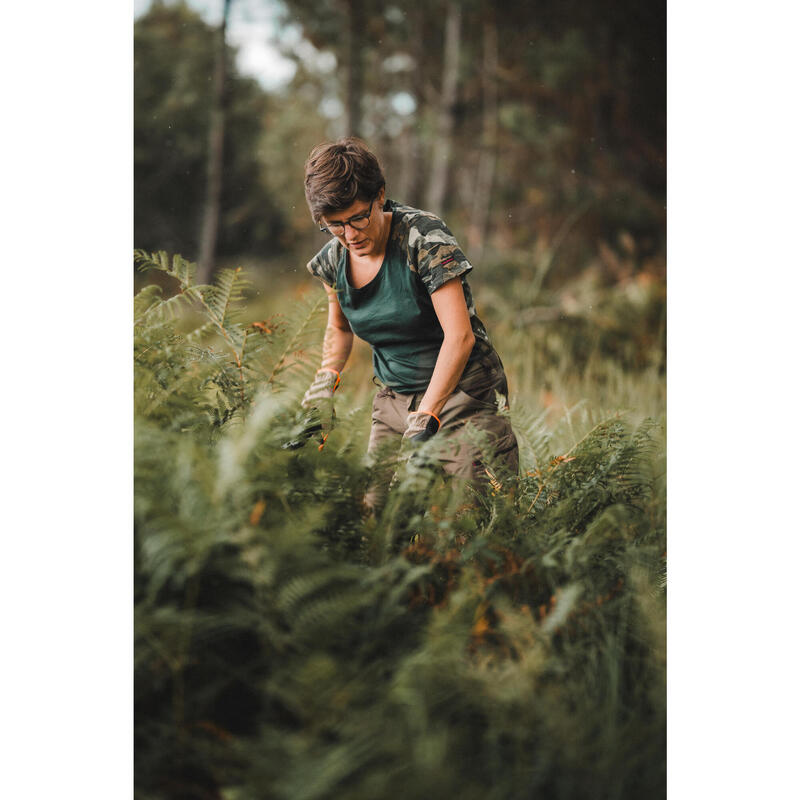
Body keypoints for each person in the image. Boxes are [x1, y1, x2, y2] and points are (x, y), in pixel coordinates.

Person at [300, 137, 518, 512]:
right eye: (335, 226)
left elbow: (459, 335)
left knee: (478, 520)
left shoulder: (423, 238)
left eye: (358, 218)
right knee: (379, 520)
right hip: (393, 399)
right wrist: (324, 385)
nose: (350, 235)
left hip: (462, 396)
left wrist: (428, 415)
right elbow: (340, 328)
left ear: (379, 196)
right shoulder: (333, 260)